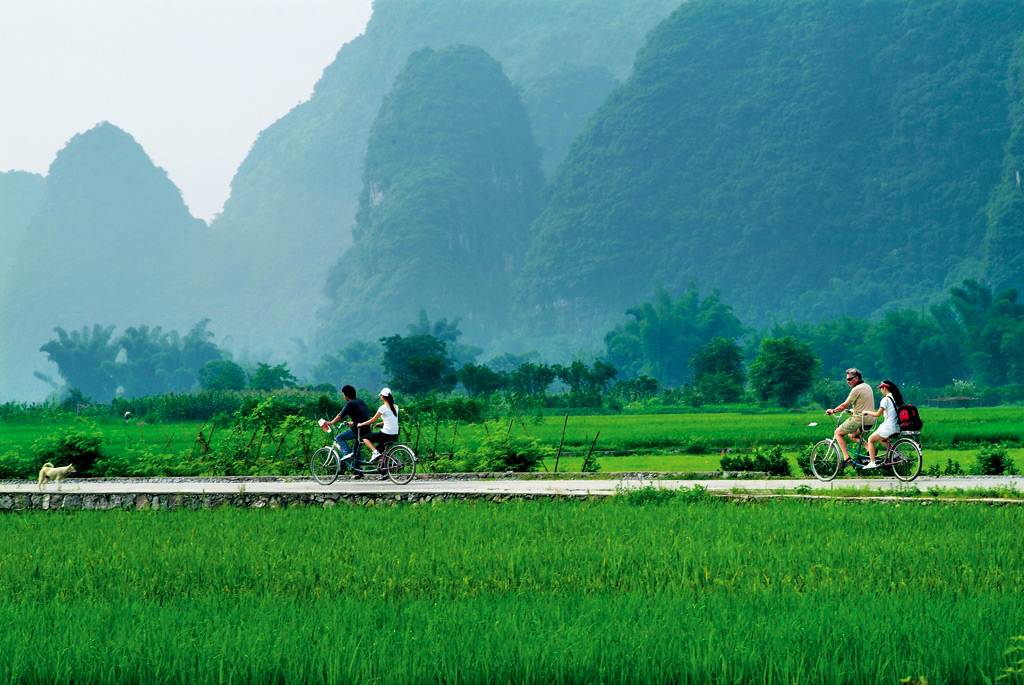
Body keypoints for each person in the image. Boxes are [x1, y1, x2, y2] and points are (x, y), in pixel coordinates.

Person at [824, 368, 875, 463]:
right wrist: (854, 410)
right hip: (870, 419)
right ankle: (869, 448)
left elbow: (844, 405)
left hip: (859, 420)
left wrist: (833, 411)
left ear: (857, 378)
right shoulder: (867, 386)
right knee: (852, 435)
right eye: (847, 379)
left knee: (838, 433)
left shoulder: (856, 389)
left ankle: (846, 458)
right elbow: (864, 404)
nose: (848, 382)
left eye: (849, 379)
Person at [860, 380, 904, 468]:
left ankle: (872, 462)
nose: (881, 391)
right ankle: (896, 453)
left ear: (885, 388)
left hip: (888, 427)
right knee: (882, 439)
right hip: (897, 427)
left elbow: (878, 414)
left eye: (881, 388)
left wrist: (866, 412)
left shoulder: (886, 399)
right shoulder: (896, 398)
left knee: (870, 439)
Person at [324, 385, 371, 461]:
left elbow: (340, 416)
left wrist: (331, 422)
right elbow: (362, 416)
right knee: (356, 450)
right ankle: (358, 470)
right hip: (366, 429)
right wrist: (353, 422)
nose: (343, 397)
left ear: (347, 395)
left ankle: (347, 454)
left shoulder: (350, 404)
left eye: (343, 395)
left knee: (339, 437)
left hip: (358, 430)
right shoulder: (360, 401)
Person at [358, 388, 399, 462]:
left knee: (364, 437)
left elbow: (373, 420)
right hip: (394, 435)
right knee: (380, 451)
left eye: (381, 396)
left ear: (383, 396)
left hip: (385, 435)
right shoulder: (396, 407)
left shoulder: (383, 408)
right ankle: (383, 469)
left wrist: (361, 424)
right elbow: (392, 419)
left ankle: (375, 452)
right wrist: (381, 423)